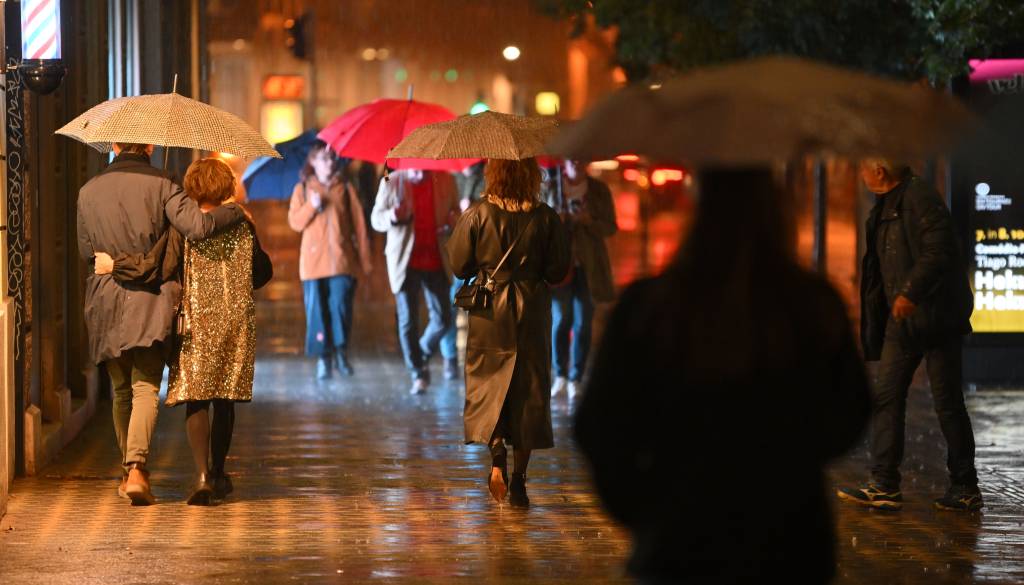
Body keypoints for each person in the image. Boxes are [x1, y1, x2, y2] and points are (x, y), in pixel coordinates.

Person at [574, 168, 871, 583]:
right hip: (789, 537)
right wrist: (792, 456)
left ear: (699, 208)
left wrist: (643, 509)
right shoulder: (812, 305)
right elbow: (850, 413)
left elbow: (599, 425)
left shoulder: (652, 307)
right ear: (775, 210)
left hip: (680, 537)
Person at [76, 143, 247, 505]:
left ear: (114, 145)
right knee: (145, 387)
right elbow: (199, 227)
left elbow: (86, 251)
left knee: (121, 390)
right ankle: (137, 468)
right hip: (149, 300)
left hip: (105, 300)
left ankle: (129, 472)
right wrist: (234, 211)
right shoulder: (165, 184)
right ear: (150, 146)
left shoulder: (87, 191)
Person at [837, 158, 980, 512]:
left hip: (936, 320)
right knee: (887, 396)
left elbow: (939, 251)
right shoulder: (885, 205)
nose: (859, 172)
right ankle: (884, 484)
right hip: (901, 324)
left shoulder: (919, 198)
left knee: (947, 403)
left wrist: (910, 293)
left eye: (863, 166)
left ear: (880, 171)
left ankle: (965, 486)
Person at [447, 158, 570, 508]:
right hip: (531, 310)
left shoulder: (478, 213)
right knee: (528, 389)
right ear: (532, 176)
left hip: (490, 311)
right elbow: (558, 270)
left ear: (494, 175)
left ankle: (497, 451)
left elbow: (459, 265)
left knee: (489, 384)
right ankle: (519, 482)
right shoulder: (546, 217)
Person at [288, 142, 373, 380]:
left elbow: (360, 227)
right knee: (318, 312)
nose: (330, 162)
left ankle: (341, 352)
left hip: (342, 262)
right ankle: (324, 358)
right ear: (313, 162)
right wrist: (311, 207)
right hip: (313, 265)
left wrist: (366, 262)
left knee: (341, 308)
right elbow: (295, 223)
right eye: (324, 158)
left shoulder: (345, 188)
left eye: (332, 158)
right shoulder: (302, 189)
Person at [371, 168, 460, 394]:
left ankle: (421, 351)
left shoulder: (445, 179)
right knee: (408, 320)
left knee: (444, 318)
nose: (420, 170)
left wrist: (454, 220)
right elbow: (376, 219)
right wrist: (391, 217)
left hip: (436, 258)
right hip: (404, 261)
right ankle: (418, 372)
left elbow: (456, 213)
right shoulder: (391, 181)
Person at [545, 159, 617, 399]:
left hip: (589, 266)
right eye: (571, 158)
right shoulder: (551, 186)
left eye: (580, 158)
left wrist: (589, 221)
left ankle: (576, 377)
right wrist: (556, 221)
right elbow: (538, 226)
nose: (576, 162)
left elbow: (610, 227)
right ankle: (560, 374)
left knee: (583, 322)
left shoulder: (598, 190)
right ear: (564, 161)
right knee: (560, 320)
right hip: (560, 266)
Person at [439, 160, 488, 380]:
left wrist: (474, 209)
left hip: (479, 255)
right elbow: (439, 215)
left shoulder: (487, 179)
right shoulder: (448, 179)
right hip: (453, 253)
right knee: (448, 306)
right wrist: (455, 214)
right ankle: (449, 357)